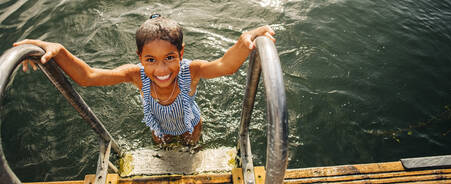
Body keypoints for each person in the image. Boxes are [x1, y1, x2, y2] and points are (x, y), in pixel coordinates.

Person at [14, 15, 275, 145]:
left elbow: (226, 66)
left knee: (191, 149)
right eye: (151, 60)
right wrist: (57, 50)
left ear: (181, 53)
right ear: (140, 57)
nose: (161, 69)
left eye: (169, 57)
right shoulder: (137, 76)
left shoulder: (190, 71)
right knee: (161, 147)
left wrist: (246, 39)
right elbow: (88, 77)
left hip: (191, 126)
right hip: (158, 129)